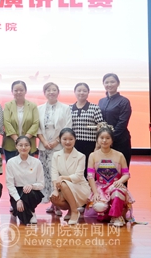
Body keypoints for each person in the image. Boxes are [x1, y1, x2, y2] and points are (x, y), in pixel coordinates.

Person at [87, 125, 134, 227]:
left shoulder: (119, 155)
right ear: (97, 139)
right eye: (102, 138)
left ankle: (116, 216)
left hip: (115, 186)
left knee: (117, 193)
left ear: (112, 140)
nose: (104, 140)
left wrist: (119, 181)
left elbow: (126, 174)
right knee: (99, 207)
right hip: (100, 187)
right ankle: (111, 212)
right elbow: (90, 176)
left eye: (107, 138)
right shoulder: (93, 155)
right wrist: (95, 192)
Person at [36, 82, 72, 215]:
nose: (51, 92)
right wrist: (44, 141)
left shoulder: (65, 108)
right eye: (48, 90)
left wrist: (56, 141)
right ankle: (49, 200)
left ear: (58, 92)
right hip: (44, 146)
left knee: (56, 175)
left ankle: (57, 203)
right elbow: (37, 127)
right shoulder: (39, 108)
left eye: (54, 90)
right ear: (44, 93)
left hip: (58, 146)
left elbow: (67, 127)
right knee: (45, 174)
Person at [50, 128, 91, 225]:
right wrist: (55, 190)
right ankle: (70, 209)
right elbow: (54, 173)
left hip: (79, 187)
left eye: (71, 139)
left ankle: (74, 211)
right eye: (64, 139)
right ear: (60, 140)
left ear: (75, 140)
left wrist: (62, 178)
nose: (68, 142)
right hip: (63, 187)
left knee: (64, 184)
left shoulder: (81, 156)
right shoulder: (56, 155)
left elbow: (78, 177)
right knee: (53, 198)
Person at [6, 136, 44, 225]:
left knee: (28, 193)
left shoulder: (37, 162)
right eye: (20, 145)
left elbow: (41, 184)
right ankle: (18, 210)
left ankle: (32, 211)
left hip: (32, 192)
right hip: (17, 192)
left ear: (30, 147)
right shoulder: (11, 162)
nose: (23, 147)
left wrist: (31, 186)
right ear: (16, 146)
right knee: (23, 216)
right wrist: (18, 200)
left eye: (26, 145)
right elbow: (10, 185)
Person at [98, 73, 132, 167]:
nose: (109, 84)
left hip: (120, 141)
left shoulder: (124, 101)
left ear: (118, 83)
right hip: (105, 142)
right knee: (105, 170)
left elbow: (122, 123)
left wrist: (111, 139)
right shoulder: (101, 101)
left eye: (112, 82)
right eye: (106, 82)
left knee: (121, 169)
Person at [70, 82, 105, 170]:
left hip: (90, 144)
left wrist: (97, 146)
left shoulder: (95, 108)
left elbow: (101, 128)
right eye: (79, 90)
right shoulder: (69, 108)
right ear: (74, 92)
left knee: (89, 169)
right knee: (74, 169)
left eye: (84, 91)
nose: (81, 93)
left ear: (88, 92)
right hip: (73, 144)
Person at [3, 80, 39, 161]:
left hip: (28, 145)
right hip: (11, 145)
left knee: (28, 168)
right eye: (16, 90)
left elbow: (35, 123)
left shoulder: (32, 106)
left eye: (21, 90)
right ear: (12, 91)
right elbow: (7, 123)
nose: (18, 92)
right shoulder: (8, 105)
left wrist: (24, 140)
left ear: (25, 91)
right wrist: (17, 140)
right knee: (12, 167)